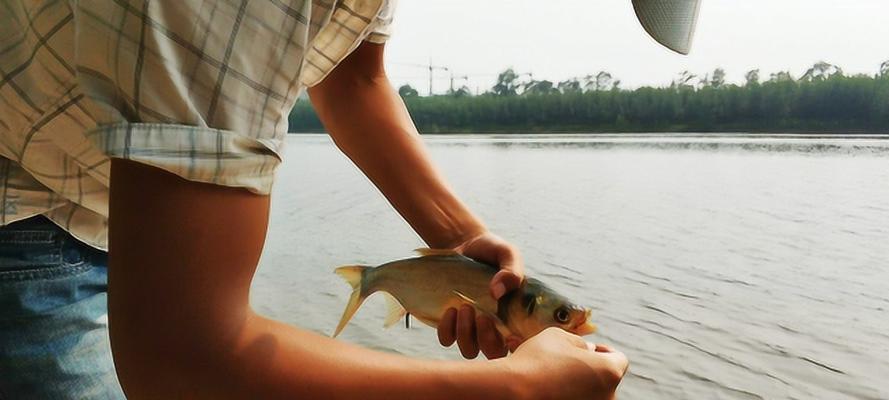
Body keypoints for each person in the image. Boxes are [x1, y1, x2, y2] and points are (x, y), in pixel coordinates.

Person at [0, 0, 699, 398]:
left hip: (109, 217)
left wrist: (457, 239)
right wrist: (513, 391)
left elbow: (350, 79)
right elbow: (180, 359)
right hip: (22, 213)